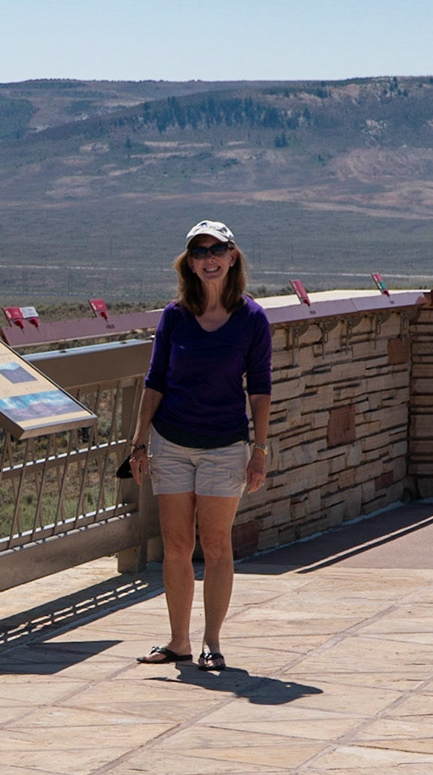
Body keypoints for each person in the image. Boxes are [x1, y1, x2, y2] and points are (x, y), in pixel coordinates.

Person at [128, 220, 272, 673]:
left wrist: (260, 450)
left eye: (217, 249)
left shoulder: (252, 319)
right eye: (199, 251)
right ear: (188, 263)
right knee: (175, 545)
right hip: (171, 442)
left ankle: (212, 641)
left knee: (216, 545)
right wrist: (139, 443)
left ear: (233, 257)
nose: (208, 258)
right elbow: (154, 382)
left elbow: (261, 388)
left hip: (225, 446)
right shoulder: (174, 317)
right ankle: (178, 642)